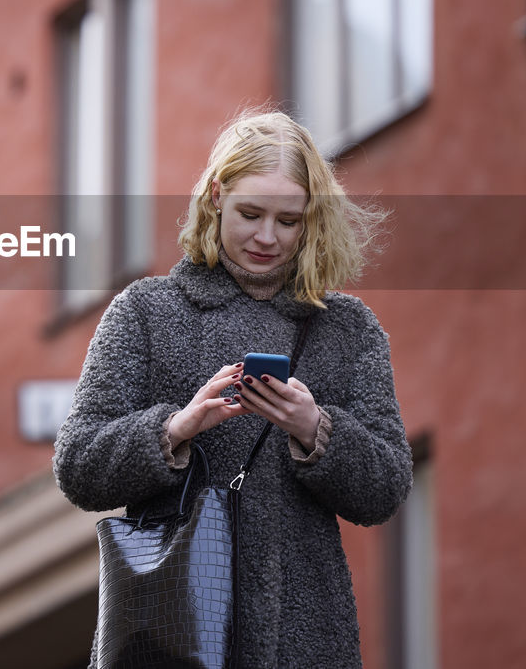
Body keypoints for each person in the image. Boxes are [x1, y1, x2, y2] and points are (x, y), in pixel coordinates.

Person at [52, 109, 412, 668]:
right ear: (216, 196)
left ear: (310, 219)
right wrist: (174, 429)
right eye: (250, 213)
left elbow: (387, 486)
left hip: (305, 638)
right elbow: (77, 465)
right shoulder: (146, 313)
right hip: (171, 631)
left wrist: (316, 432)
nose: (267, 237)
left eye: (288, 221)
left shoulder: (348, 329)